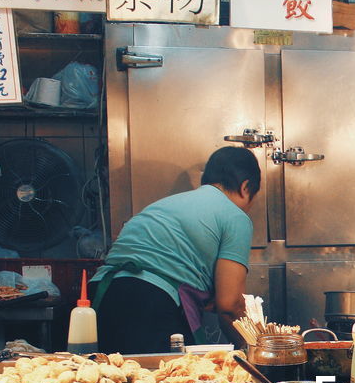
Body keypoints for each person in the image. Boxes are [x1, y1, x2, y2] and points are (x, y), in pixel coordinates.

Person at [91, 147, 260, 353]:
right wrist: (252, 352)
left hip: (100, 298)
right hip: (151, 305)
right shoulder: (235, 216)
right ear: (246, 187)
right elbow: (230, 306)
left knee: (111, 380)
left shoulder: (165, 204)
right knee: (164, 381)